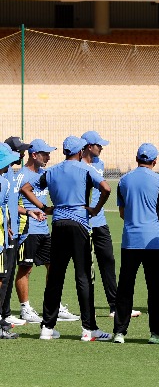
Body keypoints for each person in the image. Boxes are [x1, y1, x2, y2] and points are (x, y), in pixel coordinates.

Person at [21, 135, 112, 342]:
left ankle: (47, 327)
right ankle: (89, 329)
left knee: (55, 276)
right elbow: (106, 188)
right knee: (84, 276)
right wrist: (95, 209)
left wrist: (45, 207)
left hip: (59, 224)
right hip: (80, 224)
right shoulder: (86, 169)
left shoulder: (52, 171)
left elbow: (25, 188)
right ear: (80, 152)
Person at [113, 143, 159, 344]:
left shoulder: (124, 180)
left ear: (136, 158)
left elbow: (122, 212)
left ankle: (119, 332)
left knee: (125, 288)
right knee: (155, 289)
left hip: (129, 240)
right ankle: (157, 333)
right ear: (154, 161)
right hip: (152, 242)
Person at [15, 139, 80, 323]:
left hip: (44, 229)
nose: (49, 157)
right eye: (45, 153)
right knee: (25, 269)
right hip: (27, 229)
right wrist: (36, 209)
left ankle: (54, 305)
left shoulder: (46, 173)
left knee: (53, 267)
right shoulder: (21, 175)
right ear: (34, 155)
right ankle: (25, 308)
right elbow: (11, 203)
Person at [81, 131, 139, 319]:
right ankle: (87, 309)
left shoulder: (100, 163)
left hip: (100, 222)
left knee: (108, 261)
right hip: (83, 223)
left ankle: (115, 306)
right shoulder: (78, 166)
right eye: (99, 145)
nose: (102, 148)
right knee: (86, 268)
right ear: (89, 146)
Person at [0, 137, 31, 329]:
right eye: (18, 151)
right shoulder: (4, 175)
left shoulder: (9, 172)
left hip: (9, 229)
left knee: (8, 273)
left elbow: (9, 204)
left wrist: (25, 212)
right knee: (3, 275)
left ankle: (6, 312)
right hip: (3, 231)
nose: (21, 155)